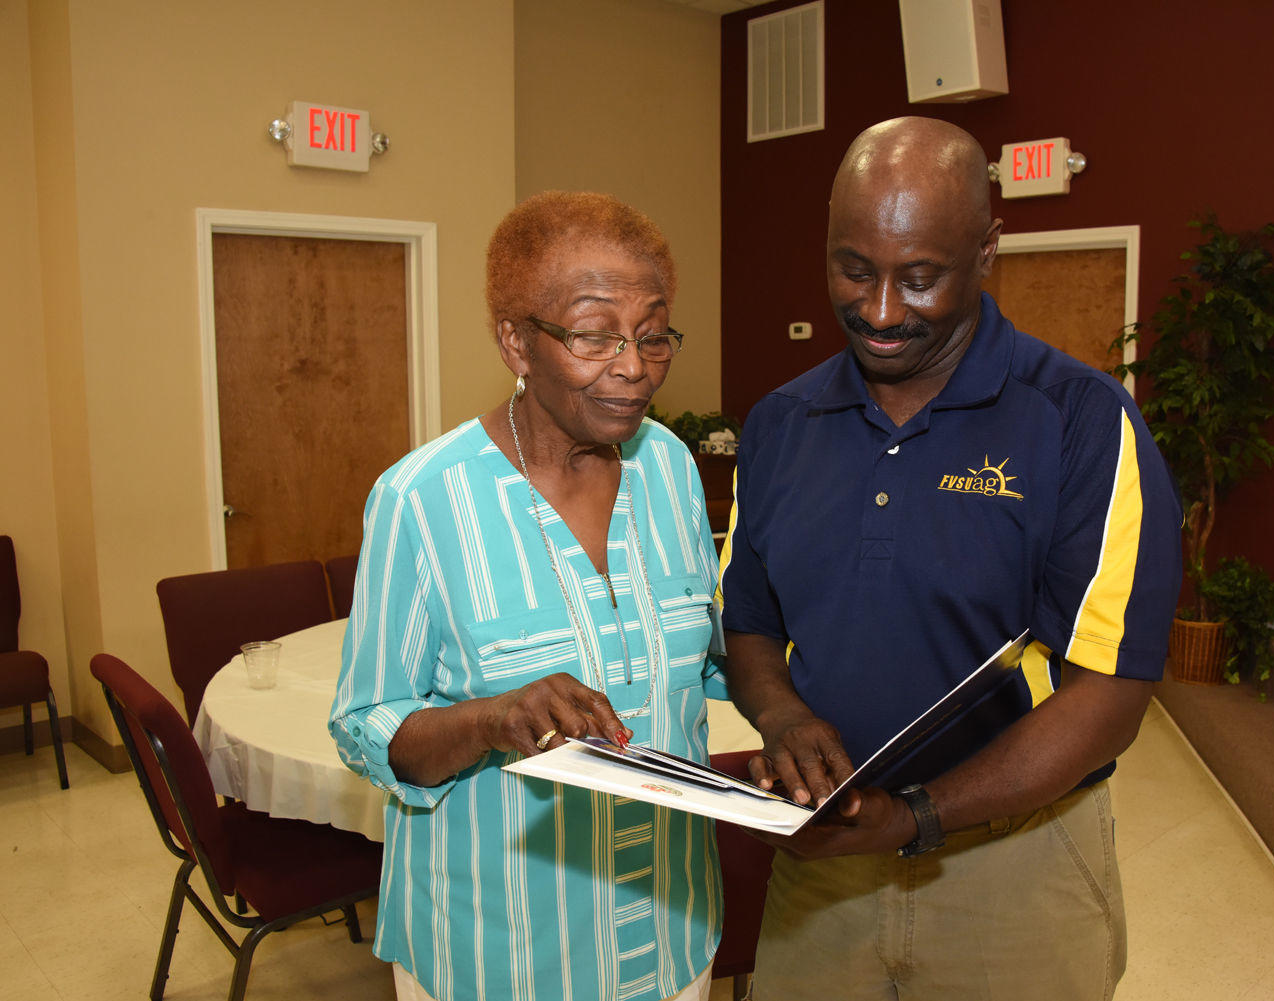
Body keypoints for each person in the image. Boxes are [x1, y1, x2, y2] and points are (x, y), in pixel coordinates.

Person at [717, 117, 1182, 999]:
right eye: (854, 270)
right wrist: (779, 713)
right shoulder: (779, 424)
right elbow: (748, 622)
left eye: (920, 277)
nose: (883, 310)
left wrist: (916, 816)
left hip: (1015, 865)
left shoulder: (1081, 423)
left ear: (986, 252)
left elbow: (1111, 693)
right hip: (827, 866)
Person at [330, 191, 727, 1001]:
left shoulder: (673, 470)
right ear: (515, 340)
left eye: (653, 336)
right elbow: (368, 724)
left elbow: (703, 667)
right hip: (500, 958)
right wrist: (490, 719)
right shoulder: (422, 498)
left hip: (673, 937)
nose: (632, 365)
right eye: (593, 335)